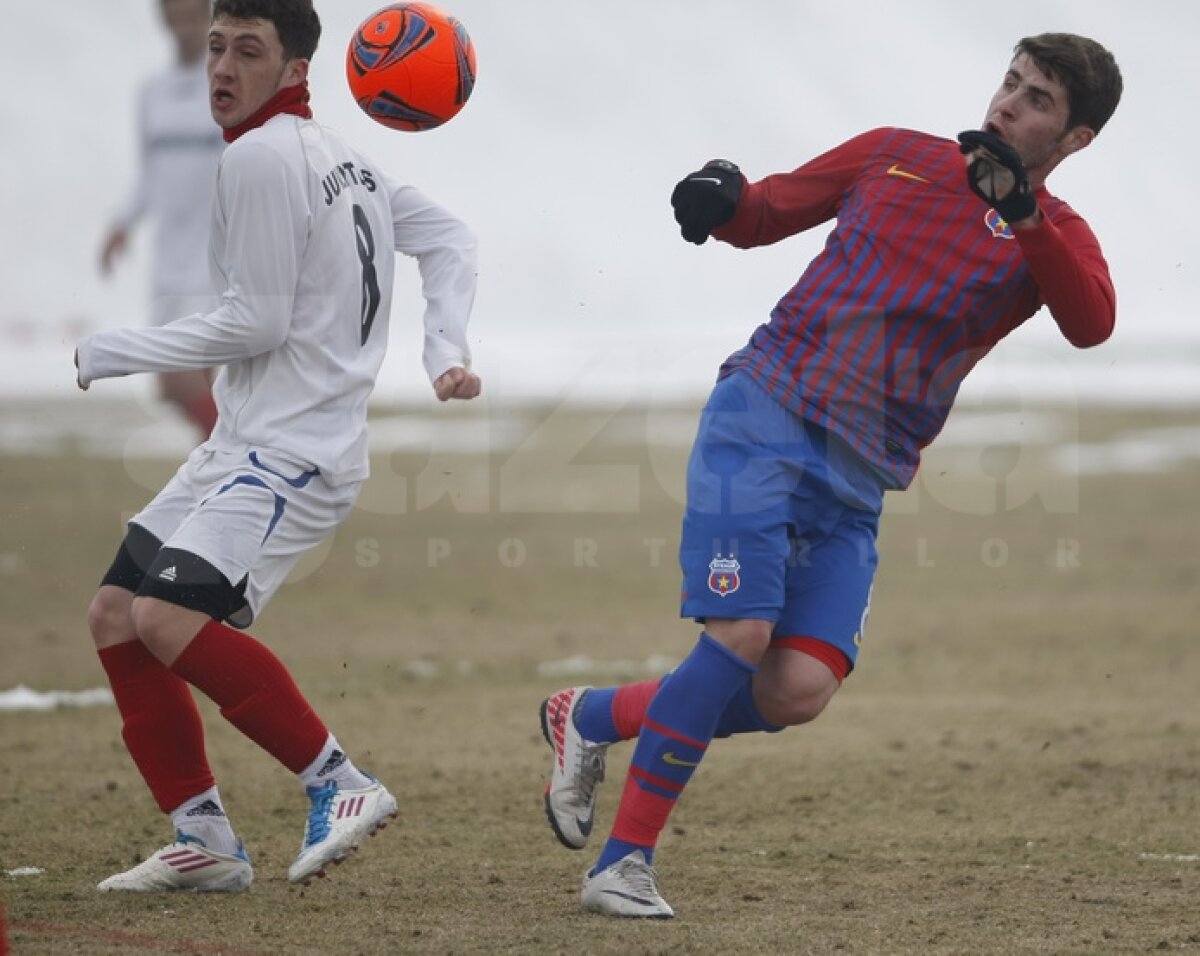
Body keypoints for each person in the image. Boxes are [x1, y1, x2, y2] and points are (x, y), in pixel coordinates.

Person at [539, 33, 1121, 918]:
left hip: (857, 480)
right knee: (739, 636)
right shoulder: (897, 154)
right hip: (764, 416)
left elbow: (1091, 323)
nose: (1008, 103)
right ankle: (622, 866)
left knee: (797, 688)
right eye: (1011, 82)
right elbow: (764, 212)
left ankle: (593, 717)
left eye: (1038, 99)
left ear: (1076, 138)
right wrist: (719, 197)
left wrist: (1026, 216)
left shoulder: (1055, 235)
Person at [76, 0, 480, 893]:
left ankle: (339, 781)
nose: (223, 67)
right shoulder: (340, 155)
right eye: (218, 47)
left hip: (294, 453)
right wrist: (444, 350)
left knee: (164, 617)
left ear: (296, 69)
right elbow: (449, 237)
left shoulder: (260, 156)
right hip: (246, 443)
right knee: (116, 613)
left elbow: (252, 322)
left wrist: (115, 349)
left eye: (249, 51)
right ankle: (205, 840)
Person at [99, 0, 225, 441]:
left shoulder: (225, 86)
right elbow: (149, 174)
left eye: (194, 16)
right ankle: (224, 460)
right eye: (178, 16)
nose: (186, 26)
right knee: (176, 384)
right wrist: (121, 224)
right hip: (169, 259)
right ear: (166, 19)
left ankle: (234, 452)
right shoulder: (152, 93)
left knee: (181, 377)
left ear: (210, 18)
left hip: (213, 259)